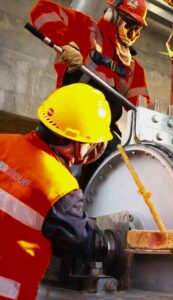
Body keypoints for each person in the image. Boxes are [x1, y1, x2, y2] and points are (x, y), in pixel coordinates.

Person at [0, 83, 114, 300]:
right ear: (79, 143)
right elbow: (78, 243)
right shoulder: (60, 189)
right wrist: (98, 237)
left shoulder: (2, 142)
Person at [30, 0, 151, 189]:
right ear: (113, 15)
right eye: (131, 26)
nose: (134, 34)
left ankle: (84, 210)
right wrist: (64, 42)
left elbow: (142, 109)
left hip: (101, 131)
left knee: (117, 164)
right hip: (66, 117)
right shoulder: (84, 28)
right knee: (44, 174)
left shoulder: (133, 69)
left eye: (138, 30)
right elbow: (42, 9)